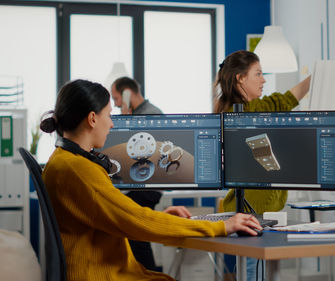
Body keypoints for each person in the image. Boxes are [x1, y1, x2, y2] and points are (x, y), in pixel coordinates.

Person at [40, 79, 262, 281]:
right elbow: (134, 220)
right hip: (101, 274)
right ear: (92, 118)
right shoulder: (79, 170)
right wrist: (221, 226)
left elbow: (121, 216)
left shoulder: (62, 161)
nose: (112, 124)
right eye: (108, 115)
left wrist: (158, 217)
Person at [213, 50, 310, 280]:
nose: (263, 79)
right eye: (258, 73)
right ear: (240, 78)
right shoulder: (246, 111)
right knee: (251, 271)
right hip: (251, 210)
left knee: (254, 269)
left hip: (255, 209)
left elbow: (287, 99)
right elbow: (286, 100)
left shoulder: (242, 109)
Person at [110, 76, 163, 271]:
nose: (115, 105)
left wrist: (125, 120)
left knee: (136, 234)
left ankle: (148, 272)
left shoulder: (151, 114)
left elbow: (140, 152)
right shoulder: (137, 113)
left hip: (148, 186)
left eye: (116, 98)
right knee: (134, 235)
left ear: (127, 93)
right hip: (137, 183)